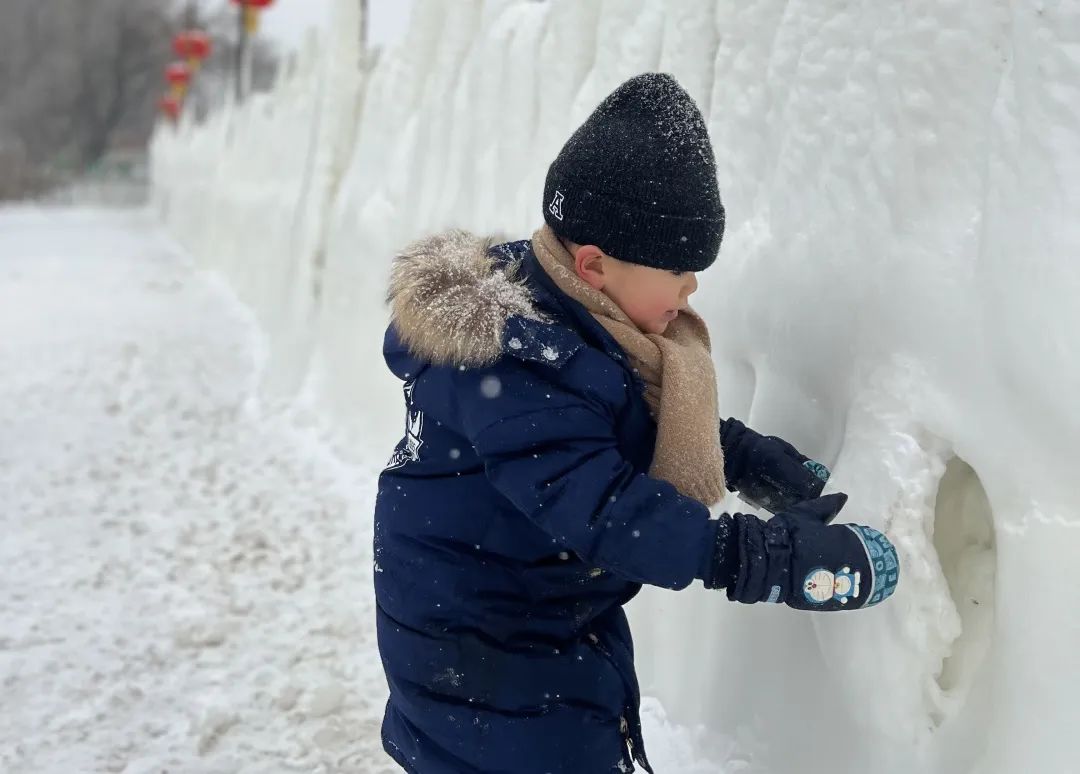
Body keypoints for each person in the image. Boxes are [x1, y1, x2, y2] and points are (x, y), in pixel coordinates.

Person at [373, 73, 899, 774]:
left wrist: (737, 453)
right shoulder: (518, 369)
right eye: (679, 270)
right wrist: (765, 560)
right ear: (594, 265)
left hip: (533, 625)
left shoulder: (574, 320)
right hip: (483, 662)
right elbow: (608, 512)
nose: (692, 289)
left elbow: (618, 417)